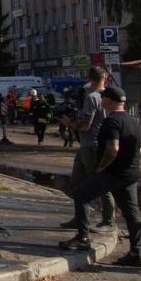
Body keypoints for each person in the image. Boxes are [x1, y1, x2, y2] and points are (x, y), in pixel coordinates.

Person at [59, 87, 141, 267]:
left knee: (81, 194)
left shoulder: (111, 121)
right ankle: (135, 252)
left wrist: (101, 167)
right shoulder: (132, 120)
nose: (101, 100)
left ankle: (82, 237)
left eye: (103, 98)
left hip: (113, 173)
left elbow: (113, 148)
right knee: (132, 212)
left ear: (108, 101)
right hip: (130, 173)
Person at [59, 67, 115, 232]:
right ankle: (80, 218)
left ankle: (108, 221)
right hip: (93, 145)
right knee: (78, 183)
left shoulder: (92, 97)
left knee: (98, 184)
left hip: (91, 146)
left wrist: (68, 124)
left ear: (90, 79)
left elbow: (85, 126)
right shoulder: (109, 97)